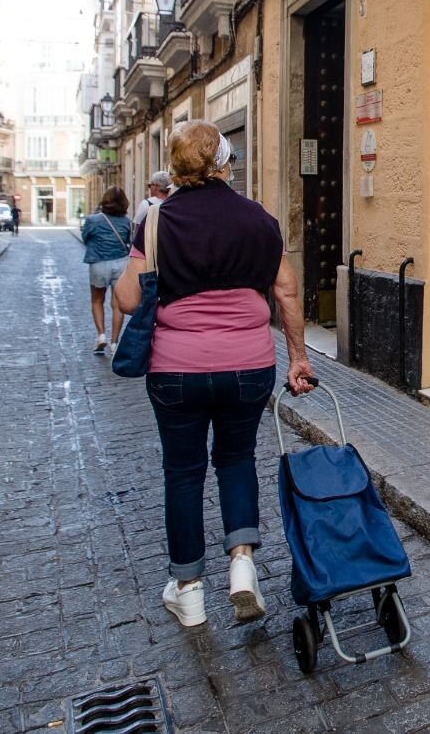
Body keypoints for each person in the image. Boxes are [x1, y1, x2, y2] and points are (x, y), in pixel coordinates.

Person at [114, 121, 315, 628]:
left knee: (183, 473)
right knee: (236, 458)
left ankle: (188, 590)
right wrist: (298, 358)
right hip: (248, 366)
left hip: (176, 369)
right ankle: (242, 565)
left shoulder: (155, 221)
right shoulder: (259, 220)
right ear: (224, 164)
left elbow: (128, 299)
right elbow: (286, 292)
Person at [80, 187, 134, 355]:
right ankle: (114, 342)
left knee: (97, 300)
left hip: (99, 263)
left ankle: (101, 336)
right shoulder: (126, 221)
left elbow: (85, 238)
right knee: (118, 304)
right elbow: (130, 241)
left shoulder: (93, 220)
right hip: (121, 263)